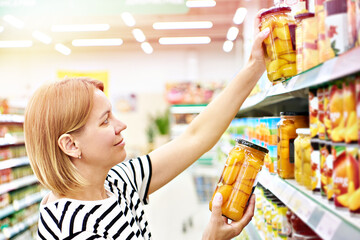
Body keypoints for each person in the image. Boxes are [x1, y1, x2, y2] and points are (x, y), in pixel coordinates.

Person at [24, 10, 270, 240]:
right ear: (70, 144)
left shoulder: (115, 182)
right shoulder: (73, 228)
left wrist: (255, 66)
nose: (121, 125)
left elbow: (195, 137)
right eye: (105, 120)